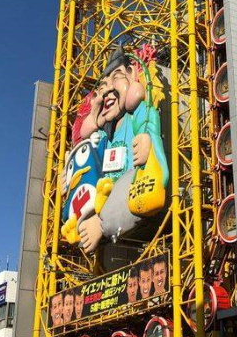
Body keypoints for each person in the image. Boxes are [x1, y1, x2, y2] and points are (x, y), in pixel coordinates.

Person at [72, 46, 170, 254]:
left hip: (128, 195)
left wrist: (148, 143)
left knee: (135, 179)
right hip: (105, 198)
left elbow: (156, 165)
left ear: (133, 75)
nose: (107, 91)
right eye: (102, 86)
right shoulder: (105, 135)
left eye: (116, 77)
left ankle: (101, 224)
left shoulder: (139, 114)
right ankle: (92, 222)